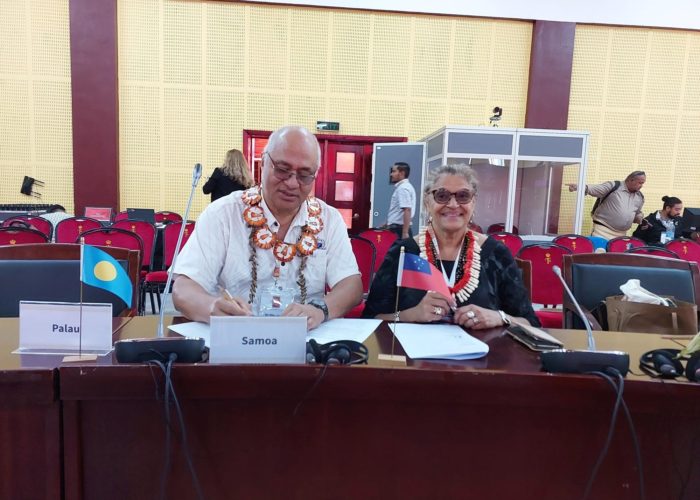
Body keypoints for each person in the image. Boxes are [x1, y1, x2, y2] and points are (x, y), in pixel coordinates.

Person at [173, 126, 363, 330]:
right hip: (235, 338)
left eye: (304, 175)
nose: (292, 183)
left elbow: (351, 286)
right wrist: (211, 307)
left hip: (305, 342)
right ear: (263, 163)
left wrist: (320, 310)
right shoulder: (223, 214)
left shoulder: (329, 219)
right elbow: (183, 288)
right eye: (282, 170)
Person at [363, 164, 539, 329]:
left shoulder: (496, 254)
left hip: (484, 359)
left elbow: (531, 323)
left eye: (463, 196)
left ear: (473, 202)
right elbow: (370, 318)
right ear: (427, 202)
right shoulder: (403, 252)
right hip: (415, 359)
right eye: (442, 195)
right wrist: (411, 314)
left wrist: (499, 317)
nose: (453, 205)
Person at [566, 171, 646, 239]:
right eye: (640, 183)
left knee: (615, 257)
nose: (641, 186)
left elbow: (637, 212)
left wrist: (639, 216)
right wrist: (579, 187)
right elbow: (595, 189)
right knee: (599, 255)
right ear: (631, 180)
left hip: (621, 235)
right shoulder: (614, 186)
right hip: (602, 231)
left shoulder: (640, 197)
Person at [385, 162, 416, 239]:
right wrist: (387, 223)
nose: (391, 174)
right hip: (398, 228)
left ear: (402, 173)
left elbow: (407, 209)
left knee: (393, 251)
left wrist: (405, 233)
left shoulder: (403, 188)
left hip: (399, 230)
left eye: (394, 171)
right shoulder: (404, 187)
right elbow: (398, 211)